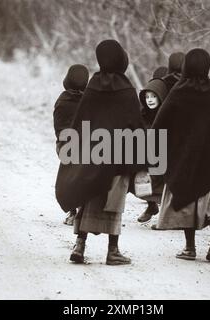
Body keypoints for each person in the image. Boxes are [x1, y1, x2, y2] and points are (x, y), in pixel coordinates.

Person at [55, 40, 145, 265]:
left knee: (88, 197)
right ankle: (113, 251)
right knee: (114, 202)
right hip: (118, 157)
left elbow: (80, 121)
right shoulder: (126, 89)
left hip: (93, 156)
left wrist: (73, 152)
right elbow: (136, 125)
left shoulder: (92, 85)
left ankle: (80, 245)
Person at [152, 48, 210, 262]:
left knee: (187, 197)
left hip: (183, 158)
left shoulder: (178, 91)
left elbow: (159, 123)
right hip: (209, 158)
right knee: (209, 194)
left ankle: (190, 248)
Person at [53, 64, 89, 226]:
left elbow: (58, 127)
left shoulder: (62, 99)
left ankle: (72, 211)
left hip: (67, 145)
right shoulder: (90, 100)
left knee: (69, 177)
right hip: (87, 145)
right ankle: (80, 210)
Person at [133, 78, 168, 223]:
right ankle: (151, 205)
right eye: (147, 97)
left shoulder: (167, 113)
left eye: (153, 96)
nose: (150, 100)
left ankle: (164, 216)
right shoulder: (142, 114)